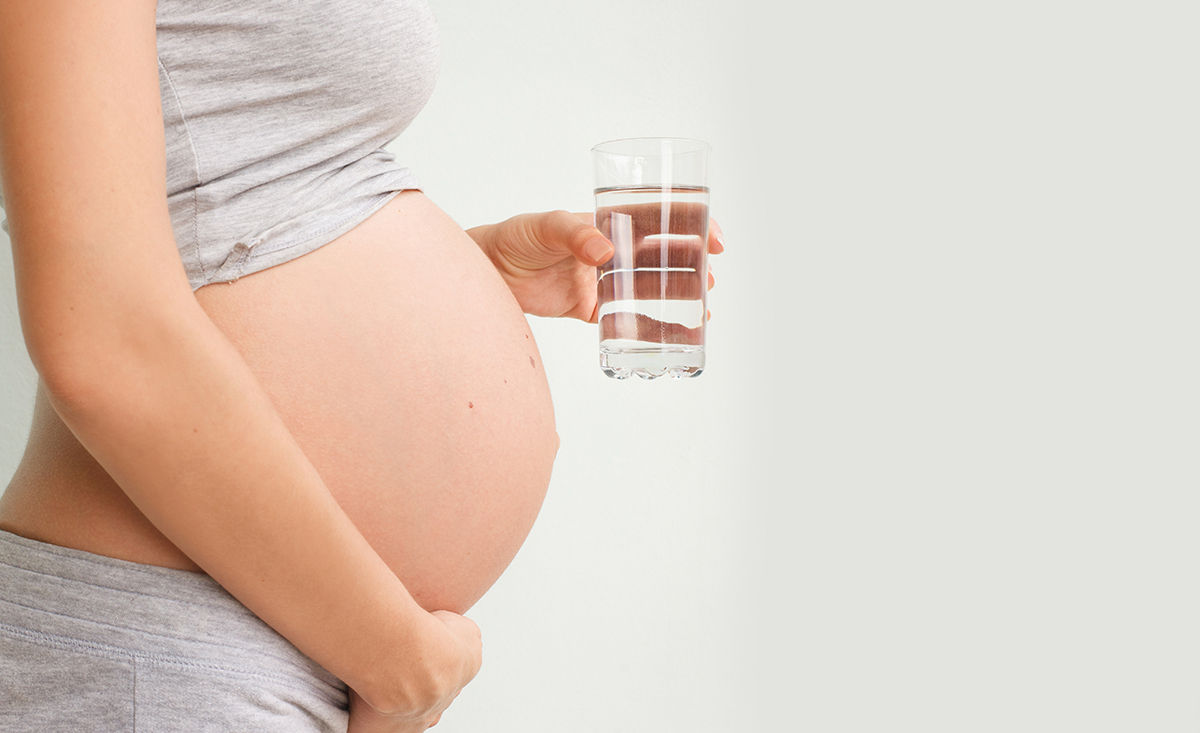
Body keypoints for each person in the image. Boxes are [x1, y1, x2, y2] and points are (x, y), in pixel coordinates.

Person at [0, 1, 723, 731]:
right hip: (169, 640)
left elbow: (231, 215)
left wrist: (460, 280)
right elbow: (101, 340)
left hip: (294, 635)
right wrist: (398, 657)